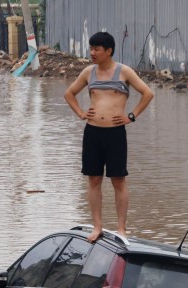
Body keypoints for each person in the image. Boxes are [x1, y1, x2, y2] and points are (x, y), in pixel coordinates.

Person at [64, 31, 154, 242]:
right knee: (93, 179)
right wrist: (81, 113)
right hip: (93, 132)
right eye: (91, 48)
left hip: (115, 133)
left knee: (118, 180)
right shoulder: (88, 72)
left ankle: (122, 228)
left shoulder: (124, 72)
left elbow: (147, 93)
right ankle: (97, 226)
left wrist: (131, 116)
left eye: (97, 49)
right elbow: (69, 94)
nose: (92, 53)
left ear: (109, 51)